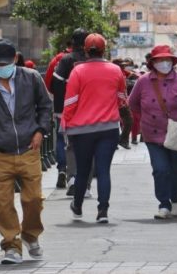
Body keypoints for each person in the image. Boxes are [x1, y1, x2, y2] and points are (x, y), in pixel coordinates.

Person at [0, 39, 52, 264]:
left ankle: (30, 235)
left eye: (6, 63)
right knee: (2, 203)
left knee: (33, 198)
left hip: (29, 149)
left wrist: (40, 132)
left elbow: (46, 106)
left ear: (15, 59)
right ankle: (11, 246)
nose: (2, 68)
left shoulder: (31, 78)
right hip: (0, 152)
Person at [61, 33, 127, 223]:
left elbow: (71, 101)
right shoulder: (115, 70)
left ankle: (78, 206)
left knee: (83, 170)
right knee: (104, 170)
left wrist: (67, 122)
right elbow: (122, 99)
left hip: (82, 130)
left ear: (85, 50)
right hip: (109, 128)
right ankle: (103, 211)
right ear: (103, 49)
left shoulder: (78, 71)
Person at [129, 45, 177, 219]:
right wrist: (147, 116)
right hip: (152, 133)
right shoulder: (143, 81)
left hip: (176, 132)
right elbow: (133, 103)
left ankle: (176, 200)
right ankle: (164, 203)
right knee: (160, 169)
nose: (164, 63)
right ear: (153, 62)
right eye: (160, 60)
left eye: (167, 59)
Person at [52, 28, 89, 196]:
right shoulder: (93, 60)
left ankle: (70, 176)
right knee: (89, 146)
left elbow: (56, 84)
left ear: (72, 42)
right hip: (90, 111)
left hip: (68, 111)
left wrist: (60, 109)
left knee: (69, 144)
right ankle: (85, 183)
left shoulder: (66, 60)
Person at [44, 41, 73, 188]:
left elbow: (48, 83)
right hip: (81, 108)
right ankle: (76, 173)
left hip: (61, 106)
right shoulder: (85, 58)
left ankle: (62, 169)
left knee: (61, 138)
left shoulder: (57, 59)